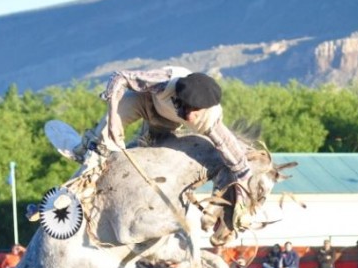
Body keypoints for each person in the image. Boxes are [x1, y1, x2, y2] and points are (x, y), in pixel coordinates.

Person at [77, 67, 252, 189]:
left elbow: (234, 157)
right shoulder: (164, 81)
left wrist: (244, 181)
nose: (191, 115)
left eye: (196, 111)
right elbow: (119, 77)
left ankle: (131, 153)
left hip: (166, 122)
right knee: (112, 120)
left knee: (150, 150)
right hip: (144, 99)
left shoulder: (211, 122)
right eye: (187, 107)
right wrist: (113, 116)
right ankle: (90, 150)